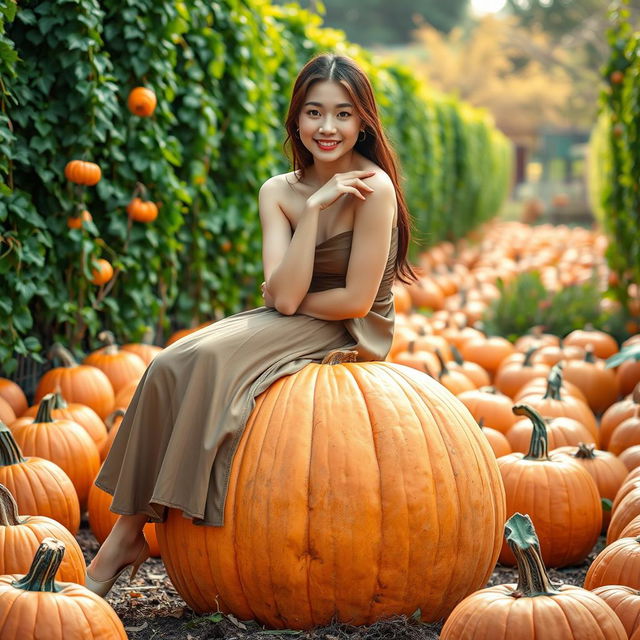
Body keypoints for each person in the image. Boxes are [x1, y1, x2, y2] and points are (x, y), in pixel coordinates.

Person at [85, 52, 417, 597]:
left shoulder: (373, 188)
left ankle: (124, 540)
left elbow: (354, 300)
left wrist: (283, 293)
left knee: (212, 360)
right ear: (296, 119)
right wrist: (312, 212)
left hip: (349, 329)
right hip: (295, 314)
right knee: (170, 361)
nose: (327, 128)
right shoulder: (278, 191)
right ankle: (128, 531)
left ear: (363, 123)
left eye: (342, 114)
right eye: (314, 113)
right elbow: (283, 297)